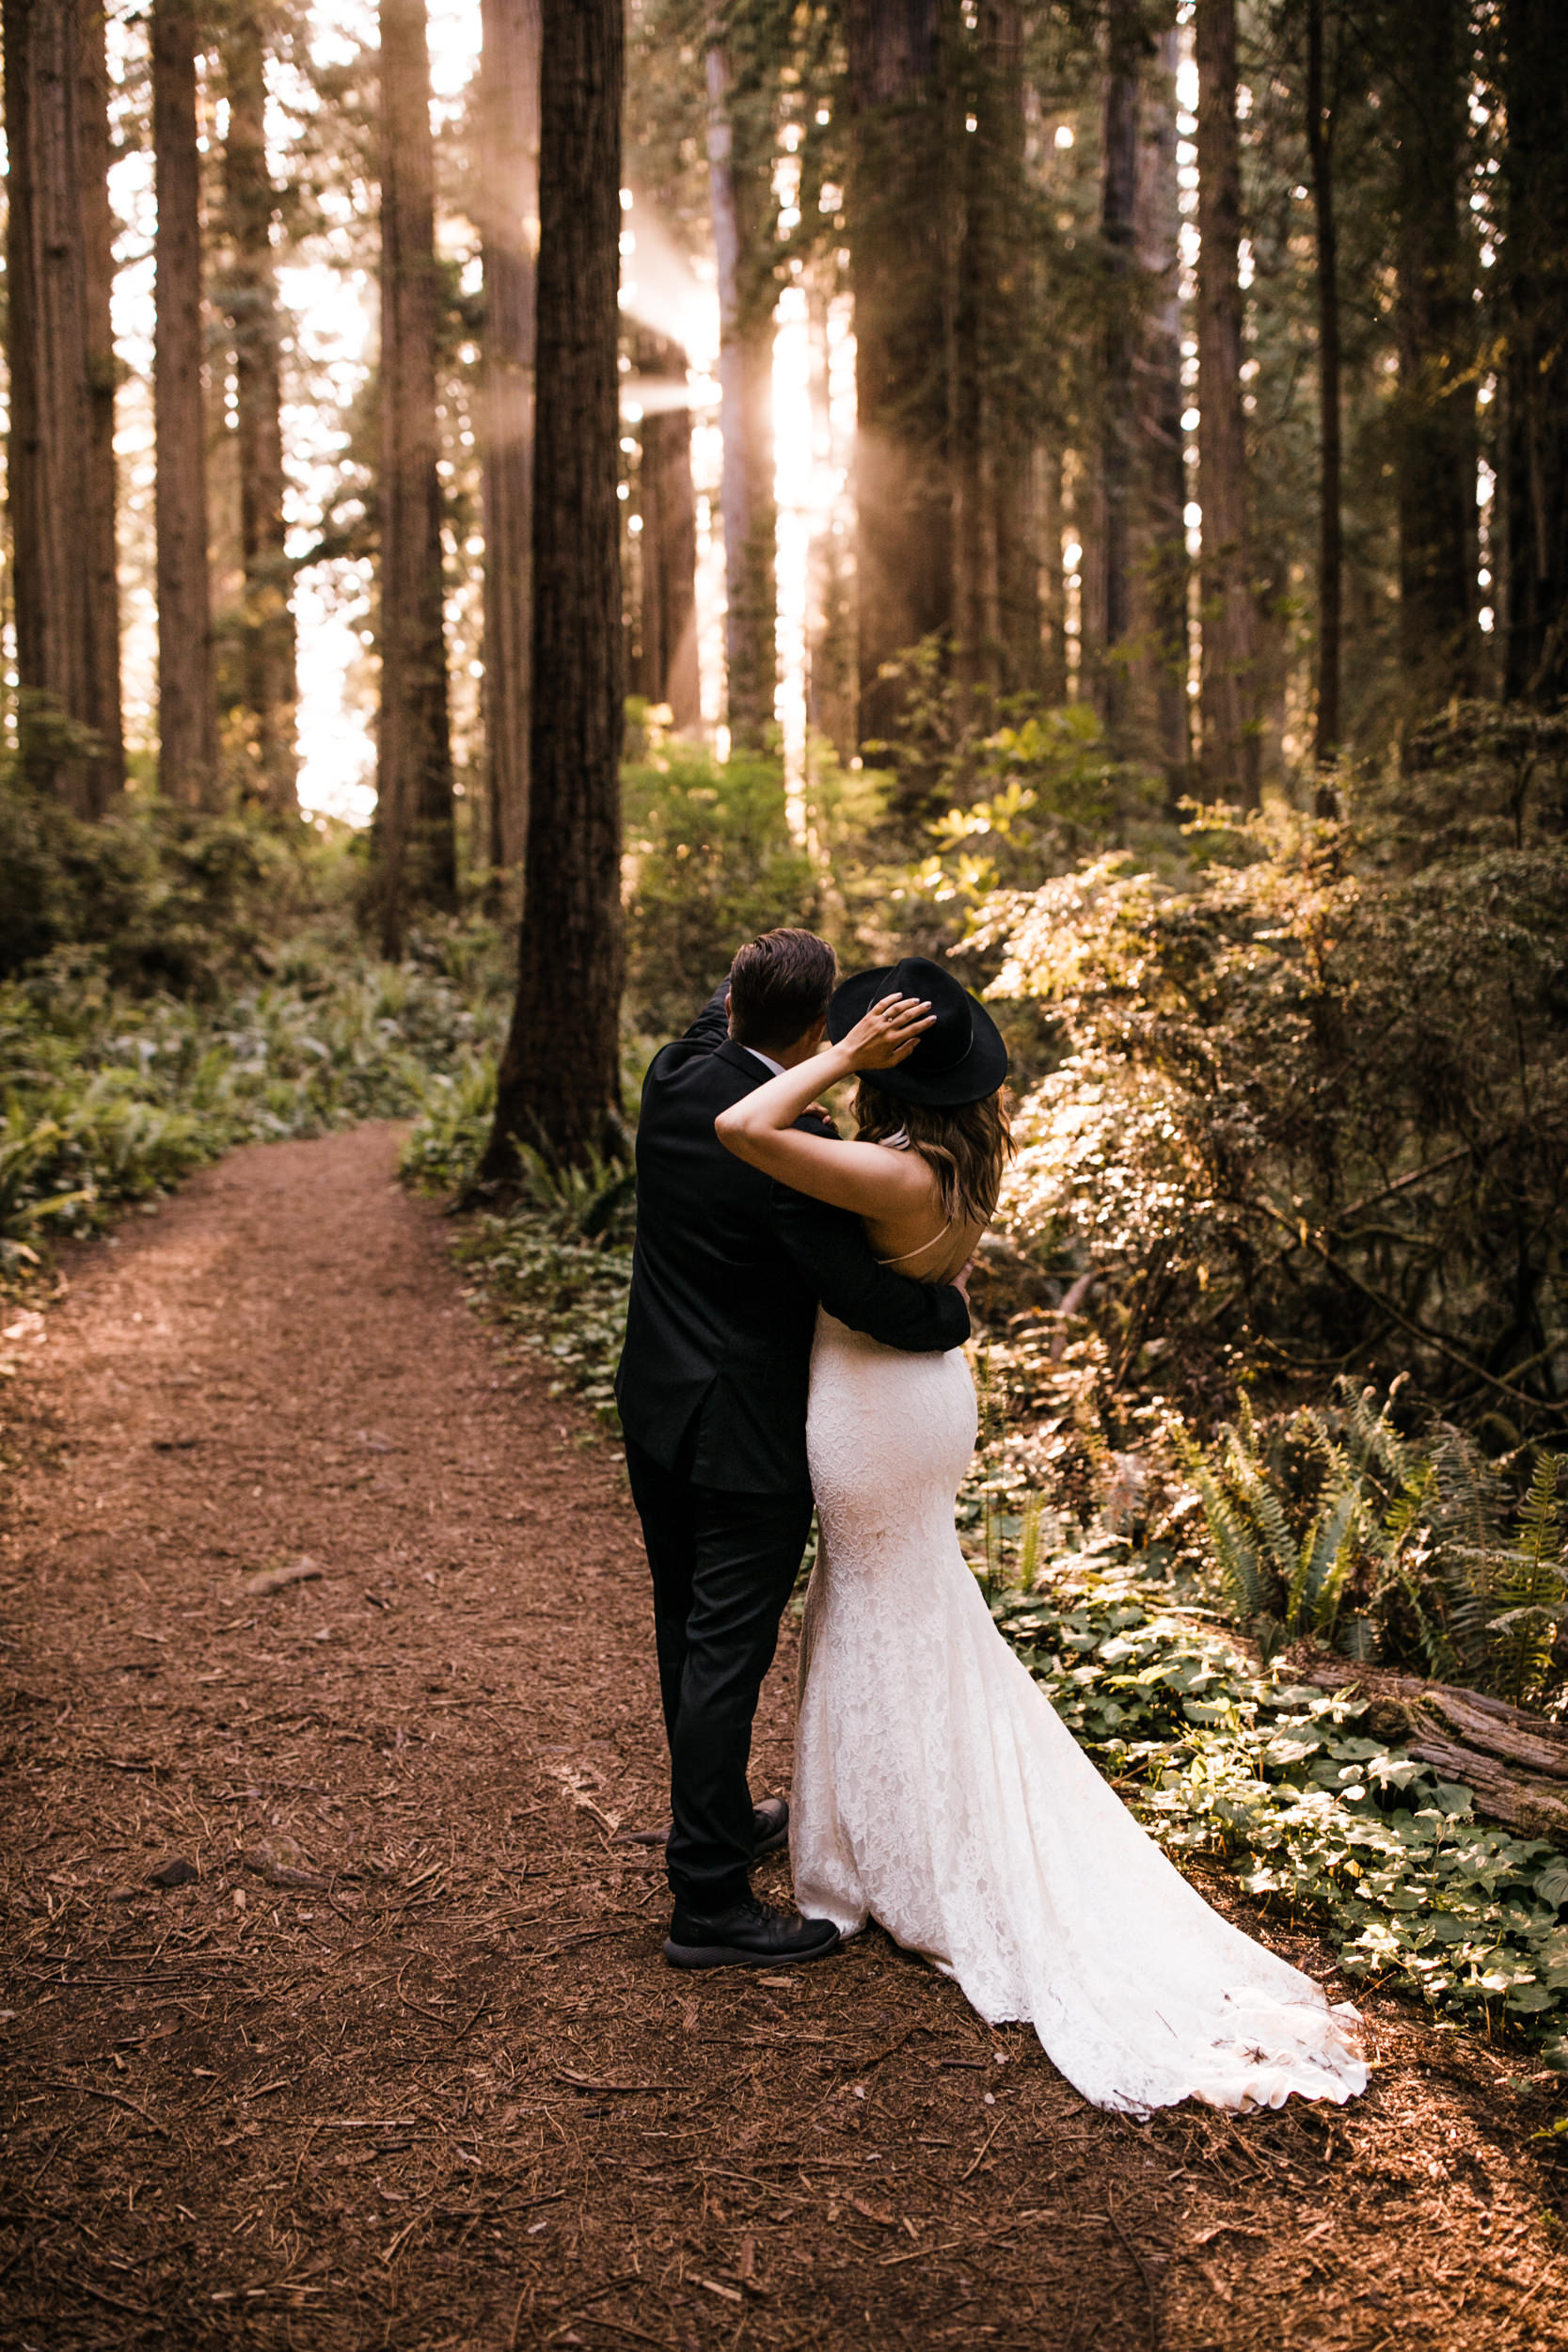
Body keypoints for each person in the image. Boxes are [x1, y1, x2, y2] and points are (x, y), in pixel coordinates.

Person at [715, 953, 1369, 2116]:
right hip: (917, 1401)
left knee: (871, 1605)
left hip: (870, 1412)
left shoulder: (887, 1171)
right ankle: (871, 1836)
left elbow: (743, 1123)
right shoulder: (958, 1162)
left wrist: (837, 1055)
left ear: (889, 1074)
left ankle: (873, 1862)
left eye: (871, 1056)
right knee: (900, 1604)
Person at [615, 930, 972, 1971]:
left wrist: (817, 1029)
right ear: (820, 1033)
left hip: (655, 1410)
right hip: (742, 1436)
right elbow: (864, 1298)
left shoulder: (676, 1073)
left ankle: (719, 1819)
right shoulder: (788, 1151)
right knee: (726, 1653)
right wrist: (949, 1315)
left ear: (729, 1009)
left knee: (686, 1632)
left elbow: (729, 1012)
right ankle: (709, 1902)